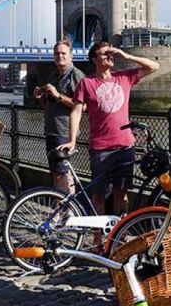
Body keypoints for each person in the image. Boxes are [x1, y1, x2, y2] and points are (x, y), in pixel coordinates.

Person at [62, 42, 159, 216]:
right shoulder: (87, 83)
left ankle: (119, 237)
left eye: (111, 53)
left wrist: (126, 56)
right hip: (100, 149)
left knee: (121, 193)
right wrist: (72, 140)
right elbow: (76, 111)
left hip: (125, 146)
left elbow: (154, 66)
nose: (109, 56)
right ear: (94, 59)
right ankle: (98, 238)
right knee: (98, 195)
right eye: (104, 54)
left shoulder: (124, 77)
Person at [35, 40, 84, 193]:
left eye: (63, 53)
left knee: (63, 172)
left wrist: (58, 95)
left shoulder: (76, 76)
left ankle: (67, 210)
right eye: (57, 54)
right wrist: (40, 98)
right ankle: (61, 206)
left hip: (65, 131)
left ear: (71, 56)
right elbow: (50, 106)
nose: (60, 56)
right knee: (56, 172)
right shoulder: (53, 74)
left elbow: (82, 106)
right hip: (51, 130)